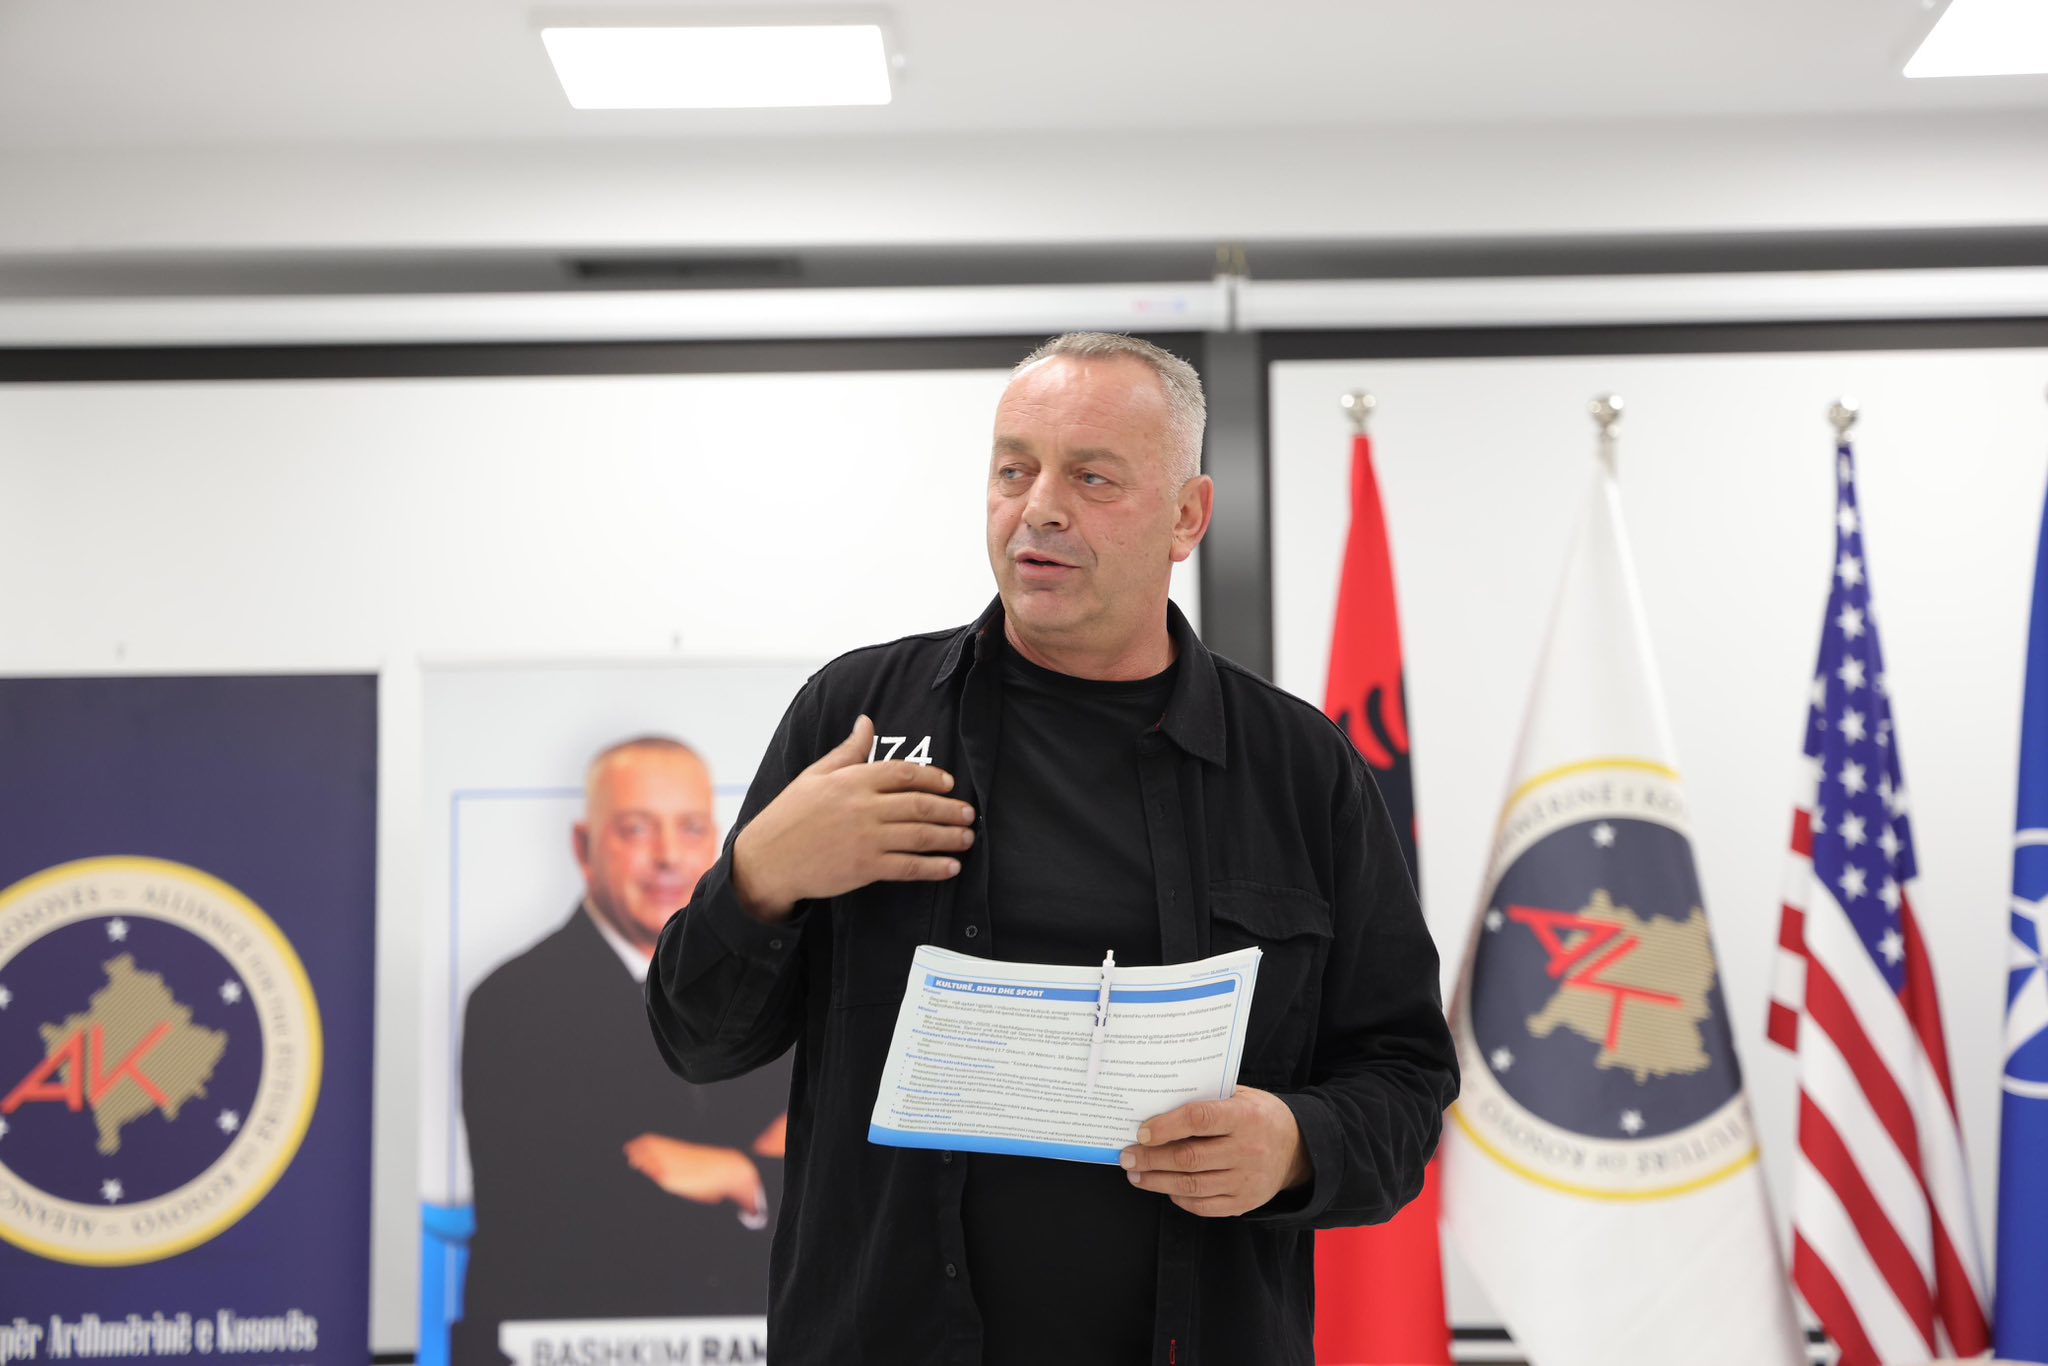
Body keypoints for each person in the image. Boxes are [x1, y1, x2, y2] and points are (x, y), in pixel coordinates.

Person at [646, 333, 1458, 1366]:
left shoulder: (1298, 768)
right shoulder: (857, 718)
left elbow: (1404, 1076)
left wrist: (1298, 1146)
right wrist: (764, 877)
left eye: (1091, 477)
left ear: (1188, 516)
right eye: (1013, 469)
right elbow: (695, 1041)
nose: (1039, 508)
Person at [456, 737, 790, 1366]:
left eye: (691, 828)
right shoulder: (512, 1001)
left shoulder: (777, 987)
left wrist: (738, 1176)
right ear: (583, 847)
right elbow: (553, 1207)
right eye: (636, 829)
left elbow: (831, 1173)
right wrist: (763, 1173)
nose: (668, 856)